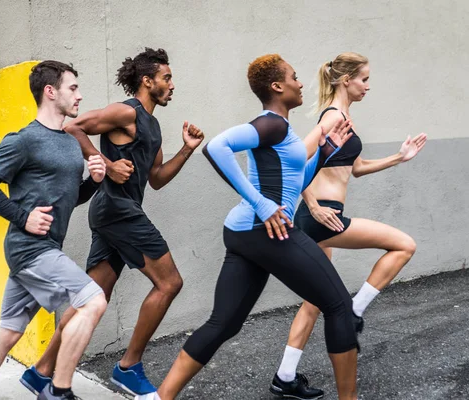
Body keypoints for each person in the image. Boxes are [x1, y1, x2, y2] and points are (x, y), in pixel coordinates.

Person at [136, 53, 360, 400]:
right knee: (340, 307)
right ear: (277, 86)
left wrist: (325, 152)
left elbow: (295, 181)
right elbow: (218, 147)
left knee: (224, 322)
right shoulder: (272, 123)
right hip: (265, 231)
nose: (301, 83)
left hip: (245, 233)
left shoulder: (281, 128)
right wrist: (261, 203)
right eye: (294, 77)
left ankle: (160, 397)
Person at [20, 48, 205, 396]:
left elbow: (158, 178)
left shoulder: (151, 126)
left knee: (92, 298)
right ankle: (128, 366)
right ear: (148, 81)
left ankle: (41, 371)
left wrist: (187, 148)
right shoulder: (126, 111)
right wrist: (105, 161)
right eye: (167, 78)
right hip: (117, 209)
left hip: (115, 212)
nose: (172, 84)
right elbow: (72, 126)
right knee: (169, 283)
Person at [270, 52, 427, 398]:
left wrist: (400, 157)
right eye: (364, 79)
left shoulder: (346, 119)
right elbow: (295, 163)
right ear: (346, 80)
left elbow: (357, 167)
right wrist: (311, 204)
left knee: (314, 301)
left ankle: (285, 376)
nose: (368, 86)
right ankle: (354, 311)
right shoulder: (330, 118)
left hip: (322, 215)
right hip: (322, 215)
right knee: (404, 245)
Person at [0, 60, 108, 400]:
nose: (80, 95)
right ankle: (58, 391)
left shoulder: (69, 142)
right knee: (93, 300)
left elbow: (69, 198)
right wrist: (22, 216)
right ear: (50, 92)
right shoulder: (24, 140)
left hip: (41, 249)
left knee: (7, 333)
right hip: (31, 249)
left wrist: (94, 182)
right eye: (73, 88)